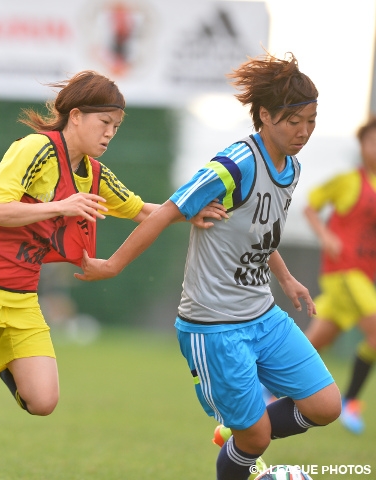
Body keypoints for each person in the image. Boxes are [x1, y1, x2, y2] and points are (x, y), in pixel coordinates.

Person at [0, 70, 225, 480]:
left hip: (19, 299)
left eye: (116, 127)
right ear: (75, 116)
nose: (110, 134)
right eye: (104, 123)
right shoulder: (35, 148)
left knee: (43, 401)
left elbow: (142, 210)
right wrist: (60, 206)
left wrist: (190, 211)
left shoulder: (94, 173)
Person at [75, 53, 341, 480]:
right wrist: (113, 265)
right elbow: (166, 211)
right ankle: (245, 440)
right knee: (254, 440)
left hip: (263, 316)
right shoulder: (235, 162)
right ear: (266, 116)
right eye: (294, 121)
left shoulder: (290, 168)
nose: (304, 132)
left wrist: (288, 279)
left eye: (311, 120)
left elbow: (260, 231)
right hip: (214, 326)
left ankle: (242, 430)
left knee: (326, 406)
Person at [303, 116, 376, 434]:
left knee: (311, 345)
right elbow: (310, 207)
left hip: (364, 276)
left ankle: (265, 389)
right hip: (345, 271)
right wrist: (325, 236)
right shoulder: (348, 180)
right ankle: (351, 401)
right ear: (362, 146)